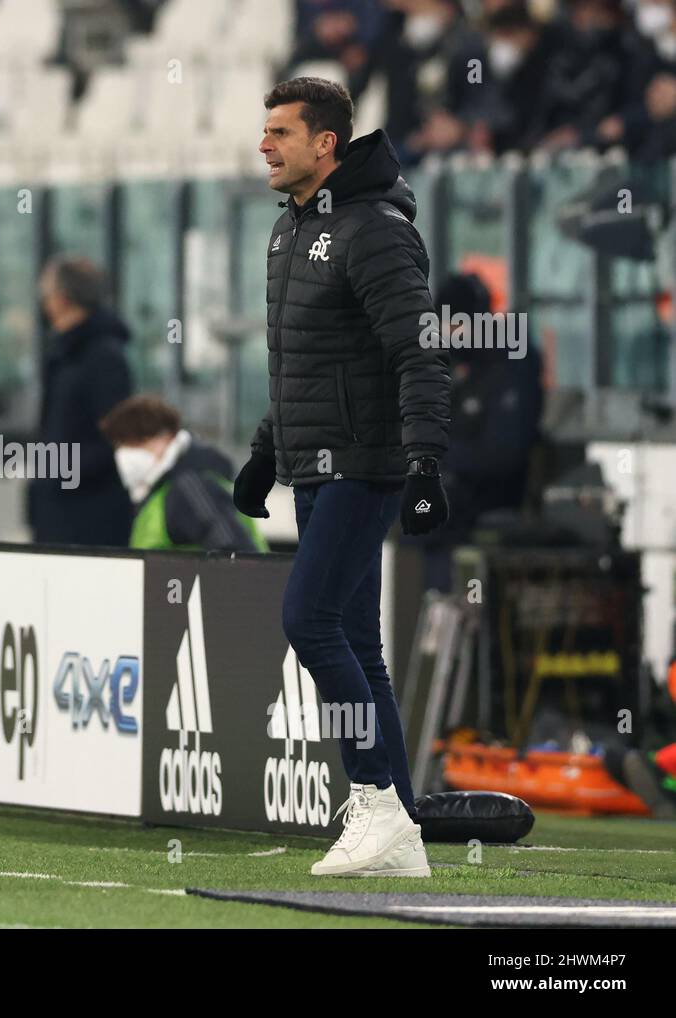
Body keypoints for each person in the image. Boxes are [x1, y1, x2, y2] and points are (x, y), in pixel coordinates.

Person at [234, 77, 450, 877]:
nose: (265, 145)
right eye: (264, 130)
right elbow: (303, 360)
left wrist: (425, 460)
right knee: (357, 638)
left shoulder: (375, 229)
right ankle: (398, 835)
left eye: (280, 132)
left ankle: (376, 799)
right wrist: (266, 450)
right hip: (316, 462)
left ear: (325, 143)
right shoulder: (290, 231)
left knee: (309, 620)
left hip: (367, 461)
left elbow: (417, 352)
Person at [416, 273, 542, 590]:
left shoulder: (510, 363)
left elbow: (503, 454)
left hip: (487, 501)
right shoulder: (456, 363)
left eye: (454, 325)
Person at [29, 255, 134, 547]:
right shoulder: (64, 355)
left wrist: (60, 472)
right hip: (58, 510)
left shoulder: (103, 357)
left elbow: (116, 435)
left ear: (61, 300)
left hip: (89, 517)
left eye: (46, 295)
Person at [99, 394, 268, 553]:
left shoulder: (189, 486)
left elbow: (235, 554)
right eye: (120, 445)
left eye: (134, 443)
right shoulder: (163, 489)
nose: (124, 454)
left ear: (163, 437)